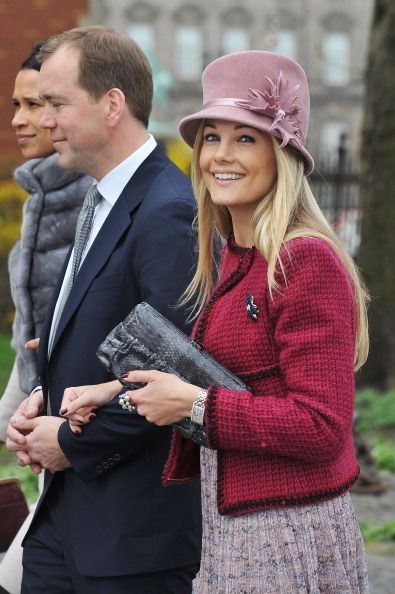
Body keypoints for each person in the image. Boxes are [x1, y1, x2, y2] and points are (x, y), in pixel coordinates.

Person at [61, 50, 370, 593]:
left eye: (246, 138)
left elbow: (323, 426)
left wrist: (197, 407)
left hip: (286, 530)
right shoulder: (232, 257)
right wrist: (116, 390)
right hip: (230, 528)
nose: (220, 156)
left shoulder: (303, 260)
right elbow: (219, 374)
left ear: (283, 154)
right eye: (211, 137)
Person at [6, 26, 201, 594]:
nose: (44, 122)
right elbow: (104, 339)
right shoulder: (102, 197)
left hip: (129, 538)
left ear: (112, 104)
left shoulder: (166, 210)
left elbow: (177, 372)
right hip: (66, 525)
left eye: (58, 104)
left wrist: (66, 444)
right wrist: (42, 398)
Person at [0, 42, 91, 594]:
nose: (21, 119)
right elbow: (30, 329)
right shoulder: (39, 192)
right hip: (38, 416)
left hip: (82, 426)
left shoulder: (93, 195)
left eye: (35, 104)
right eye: (16, 104)